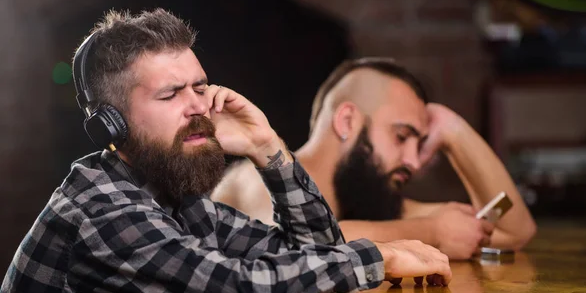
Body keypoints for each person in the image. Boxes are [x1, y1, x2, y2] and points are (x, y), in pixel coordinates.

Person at [0, 10, 451, 293]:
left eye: (199, 86)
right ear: (111, 126)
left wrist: (268, 149)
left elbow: (317, 249)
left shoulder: (184, 202)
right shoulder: (100, 213)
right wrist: (377, 255)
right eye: (171, 94)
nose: (198, 107)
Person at [212, 58, 537, 260]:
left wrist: (454, 129)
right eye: (401, 136)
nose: (414, 161)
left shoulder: (374, 206)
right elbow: (285, 245)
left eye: (420, 142)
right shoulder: (255, 177)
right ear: (348, 122)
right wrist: (432, 232)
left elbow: (512, 229)